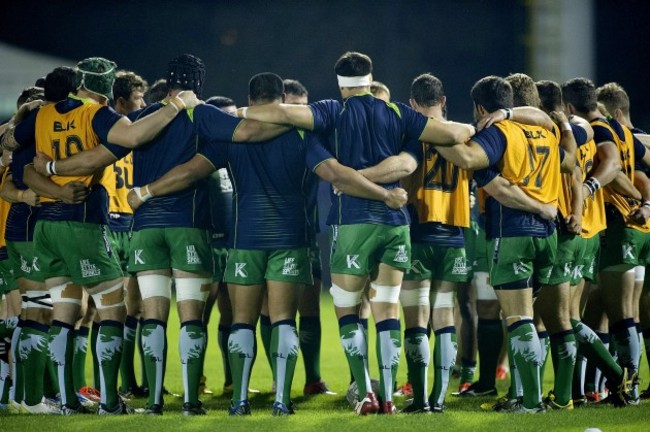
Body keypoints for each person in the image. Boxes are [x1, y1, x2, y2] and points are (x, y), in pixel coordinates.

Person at [127, 72, 409, 416]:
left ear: (251, 96)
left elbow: (190, 171)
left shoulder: (232, 138)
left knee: (242, 321)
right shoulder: (303, 136)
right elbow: (335, 173)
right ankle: (281, 400)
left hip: (245, 239)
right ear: (283, 100)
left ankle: (240, 400)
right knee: (284, 322)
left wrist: (147, 191)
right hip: (290, 240)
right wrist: (384, 193)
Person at [31, 54, 295, 415]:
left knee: (152, 316)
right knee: (190, 318)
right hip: (187, 225)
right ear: (198, 83)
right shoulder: (199, 114)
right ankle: (189, 401)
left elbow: (98, 156)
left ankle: (153, 402)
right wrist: (295, 120)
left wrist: (52, 168)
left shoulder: (139, 119)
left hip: (143, 230)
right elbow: (238, 138)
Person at [235, 51, 476, 415]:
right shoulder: (398, 113)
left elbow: (285, 116)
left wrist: (237, 113)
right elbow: (438, 143)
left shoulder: (331, 112)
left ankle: (365, 393)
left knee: (349, 313)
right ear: (370, 77)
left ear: (339, 82)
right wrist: (480, 125)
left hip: (351, 223)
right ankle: (392, 398)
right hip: (396, 226)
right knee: (389, 311)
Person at [8, 56, 200, 415]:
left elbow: (16, 156)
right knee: (113, 309)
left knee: (64, 311)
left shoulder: (44, 114)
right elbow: (132, 135)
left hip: (44, 226)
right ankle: (111, 402)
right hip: (80, 223)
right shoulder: (93, 112)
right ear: (107, 88)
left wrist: (46, 169)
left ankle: (65, 402)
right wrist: (177, 103)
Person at [563, 77, 650, 404]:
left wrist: (589, 188)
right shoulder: (625, 132)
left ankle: (629, 386)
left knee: (621, 313)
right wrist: (644, 202)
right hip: (638, 226)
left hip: (618, 227)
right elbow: (640, 173)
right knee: (607, 314)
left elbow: (612, 167)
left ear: (570, 108)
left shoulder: (599, 131)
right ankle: (596, 388)